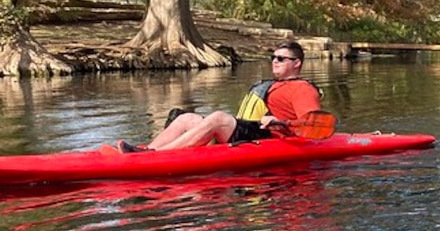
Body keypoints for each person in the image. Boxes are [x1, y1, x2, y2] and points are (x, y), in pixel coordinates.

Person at [119, 41, 324, 152]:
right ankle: (147, 150)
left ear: (297, 63)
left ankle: (157, 157)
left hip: (272, 139)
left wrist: (279, 121)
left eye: (281, 58)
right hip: (256, 132)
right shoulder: (277, 85)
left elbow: (314, 126)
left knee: (218, 118)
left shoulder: (303, 88)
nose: (274, 61)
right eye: (273, 58)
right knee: (186, 117)